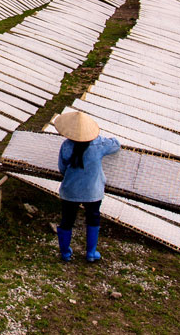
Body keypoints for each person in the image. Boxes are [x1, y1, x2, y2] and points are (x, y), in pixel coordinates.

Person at [53, 110, 120, 263]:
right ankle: (91, 252)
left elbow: (62, 168)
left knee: (67, 220)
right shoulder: (99, 144)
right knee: (93, 218)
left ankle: (65, 253)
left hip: (70, 190)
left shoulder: (67, 146)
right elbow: (116, 145)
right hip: (92, 191)